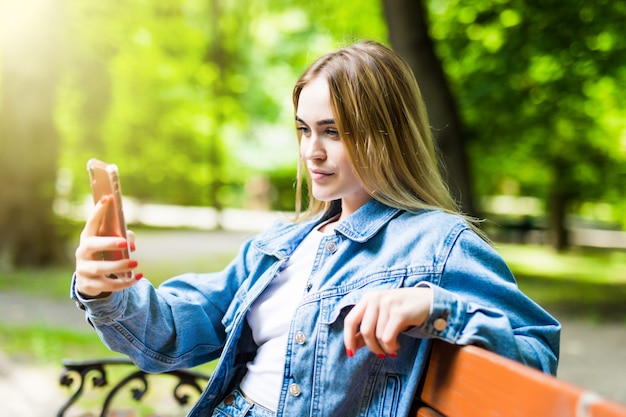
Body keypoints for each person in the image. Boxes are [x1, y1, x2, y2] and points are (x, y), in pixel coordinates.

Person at [72, 40, 560, 417]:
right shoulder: (281, 243)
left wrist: (434, 308)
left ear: (386, 135)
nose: (311, 151)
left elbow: (537, 354)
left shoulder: (437, 243)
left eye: (333, 131)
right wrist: (109, 292)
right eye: (305, 130)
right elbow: (172, 335)